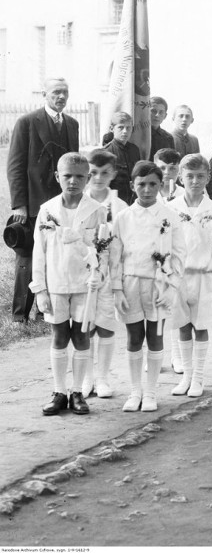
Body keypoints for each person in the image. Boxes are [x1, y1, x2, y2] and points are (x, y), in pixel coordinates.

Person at [31, 153, 113, 416]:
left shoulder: (97, 211)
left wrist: (97, 272)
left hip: (84, 286)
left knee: (80, 336)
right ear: (58, 177)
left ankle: (77, 391)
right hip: (55, 283)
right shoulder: (47, 210)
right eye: (67, 176)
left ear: (88, 178)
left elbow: (103, 250)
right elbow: (39, 252)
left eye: (80, 176)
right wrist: (40, 289)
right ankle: (59, 391)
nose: (73, 181)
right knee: (59, 336)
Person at [112, 160, 186, 412]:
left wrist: (171, 286)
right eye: (141, 184)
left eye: (152, 184)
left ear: (161, 185)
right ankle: (135, 392)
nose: (147, 189)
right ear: (132, 186)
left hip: (159, 284)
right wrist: (117, 289)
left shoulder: (170, 216)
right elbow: (115, 256)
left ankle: (151, 392)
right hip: (130, 282)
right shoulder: (122, 217)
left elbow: (179, 254)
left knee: (155, 336)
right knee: (134, 337)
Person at [7, 77, 80, 322]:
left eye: (65, 92)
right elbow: (15, 165)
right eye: (56, 92)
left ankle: (44, 310)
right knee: (28, 257)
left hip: (60, 203)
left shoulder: (72, 124)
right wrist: (19, 204)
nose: (61, 97)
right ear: (44, 94)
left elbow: (73, 164)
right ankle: (20, 315)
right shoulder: (27, 122)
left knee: (55, 255)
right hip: (33, 201)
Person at [169, 154, 212, 396]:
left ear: (208, 178)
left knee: (200, 325)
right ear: (180, 178)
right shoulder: (171, 208)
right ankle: (187, 376)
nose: (195, 181)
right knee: (182, 324)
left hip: (203, 274)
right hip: (179, 275)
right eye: (189, 176)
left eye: (200, 176)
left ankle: (198, 378)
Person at [83, 150, 125, 397]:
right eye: (93, 172)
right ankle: (87, 377)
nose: (98, 178)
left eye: (104, 173)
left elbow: (123, 244)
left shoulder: (119, 205)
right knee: (86, 325)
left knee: (107, 325)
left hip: (110, 274)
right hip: (86, 275)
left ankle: (103, 378)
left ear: (113, 174)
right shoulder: (80, 201)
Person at [101, 111, 139, 205]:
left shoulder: (135, 150)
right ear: (111, 128)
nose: (125, 131)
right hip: (115, 201)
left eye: (128, 128)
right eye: (121, 127)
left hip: (133, 200)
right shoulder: (106, 152)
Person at [147, 96, 176, 160]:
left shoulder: (168, 138)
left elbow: (171, 161)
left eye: (161, 112)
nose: (157, 115)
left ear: (165, 116)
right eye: (153, 111)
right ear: (146, 112)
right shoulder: (140, 134)